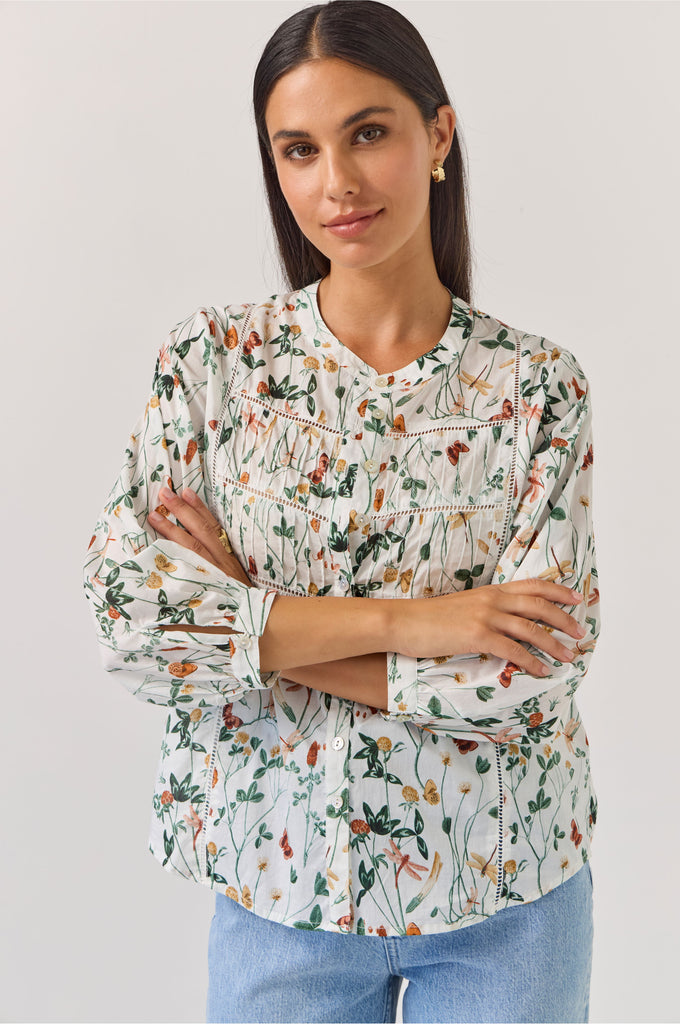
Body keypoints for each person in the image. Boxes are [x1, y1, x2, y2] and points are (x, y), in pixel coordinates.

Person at [83, 2, 600, 1021]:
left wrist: (241, 613)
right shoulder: (212, 365)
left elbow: (526, 676)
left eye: (368, 132)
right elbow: (132, 623)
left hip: (505, 883)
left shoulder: (535, 386)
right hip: (280, 887)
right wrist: (422, 621)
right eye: (299, 149)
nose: (337, 183)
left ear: (436, 135)